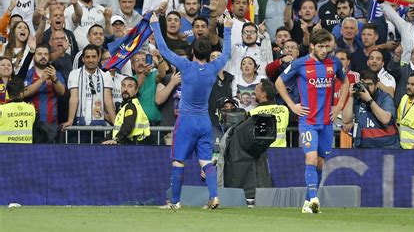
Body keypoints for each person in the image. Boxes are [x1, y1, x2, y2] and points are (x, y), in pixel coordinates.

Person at [150, 11, 233, 210]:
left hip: (186, 120)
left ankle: (175, 202)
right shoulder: (215, 68)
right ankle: (214, 196)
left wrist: (155, 24)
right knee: (205, 161)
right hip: (204, 121)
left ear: (193, 51)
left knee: (179, 161)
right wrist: (228, 28)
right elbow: (227, 52)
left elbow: (163, 48)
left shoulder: (185, 66)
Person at [275, 29, 349, 214]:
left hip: (326, 121)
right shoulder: (300, 64)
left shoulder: (335, 63)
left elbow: (346, 82)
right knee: (311, 157)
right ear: (312, 46)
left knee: (321, 162)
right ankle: (315, 197)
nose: (325, 50)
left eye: (327, 46)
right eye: (321, 46)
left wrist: (339, 106)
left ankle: (308, 204)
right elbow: (278, 82)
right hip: (307, 120)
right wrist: (292, 105)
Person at [342, 69, 399, 149]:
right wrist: (351, 97)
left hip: (386, 147)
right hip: (363, 147)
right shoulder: (358, 96)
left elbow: (385, 119)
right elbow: (346, 120)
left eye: (369, 84)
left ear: (377, 85)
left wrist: (369, 100)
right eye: (363, 84)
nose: (366, 87)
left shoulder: (385, 97)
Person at [102, 77, 151, 145]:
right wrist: (106, 140)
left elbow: (127, 126)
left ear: (136, 90)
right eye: (123, 85)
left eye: (130, 86)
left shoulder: (131, 106)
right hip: (131, 143)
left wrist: (117, 139)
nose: (125, 89)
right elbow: (117, 128)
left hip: (133, 145)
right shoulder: (126, 105)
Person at [249, 78, 289, 147]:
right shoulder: (284, 110)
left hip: (262, 153)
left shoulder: (253, 113)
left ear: (263, 94)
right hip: (282, 153)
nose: (254, 93)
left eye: (257, 90)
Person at [0, 77, 40, 143]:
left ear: (8, 93)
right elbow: (35, 134)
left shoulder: (1, 109)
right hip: (26, 150)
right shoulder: (31, 109)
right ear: (22, 93)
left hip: (4, 150)